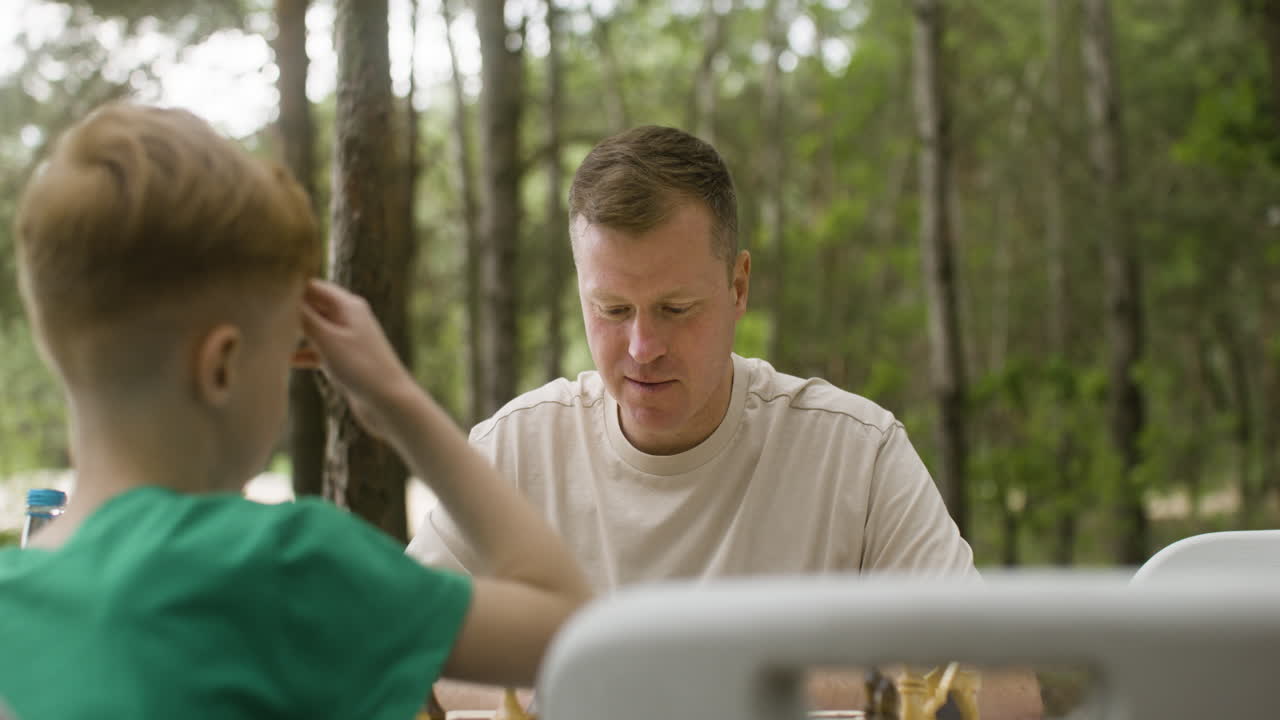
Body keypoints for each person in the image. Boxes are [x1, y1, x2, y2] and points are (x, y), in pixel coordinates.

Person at [408, 126, 1041, 717]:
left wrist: (733, 684)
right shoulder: (517, 449)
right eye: (612, 309)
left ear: (739, 286)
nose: (642, 347)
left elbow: (1013, 690)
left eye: (676, 308)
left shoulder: (854, 453)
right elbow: (402, 648)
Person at [0, 103, 590, 719]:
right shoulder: (286, 568)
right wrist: (398, 402)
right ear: (222, 367)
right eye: (286, 349)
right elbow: (567, 630)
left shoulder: (11, 602)